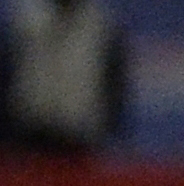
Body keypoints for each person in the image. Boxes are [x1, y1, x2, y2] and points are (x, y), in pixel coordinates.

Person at [10, 0, 128, 153]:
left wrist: (106, 126)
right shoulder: (26, 20)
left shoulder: (101, 25)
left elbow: (114, 83)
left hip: (81, 135)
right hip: (32, 132)